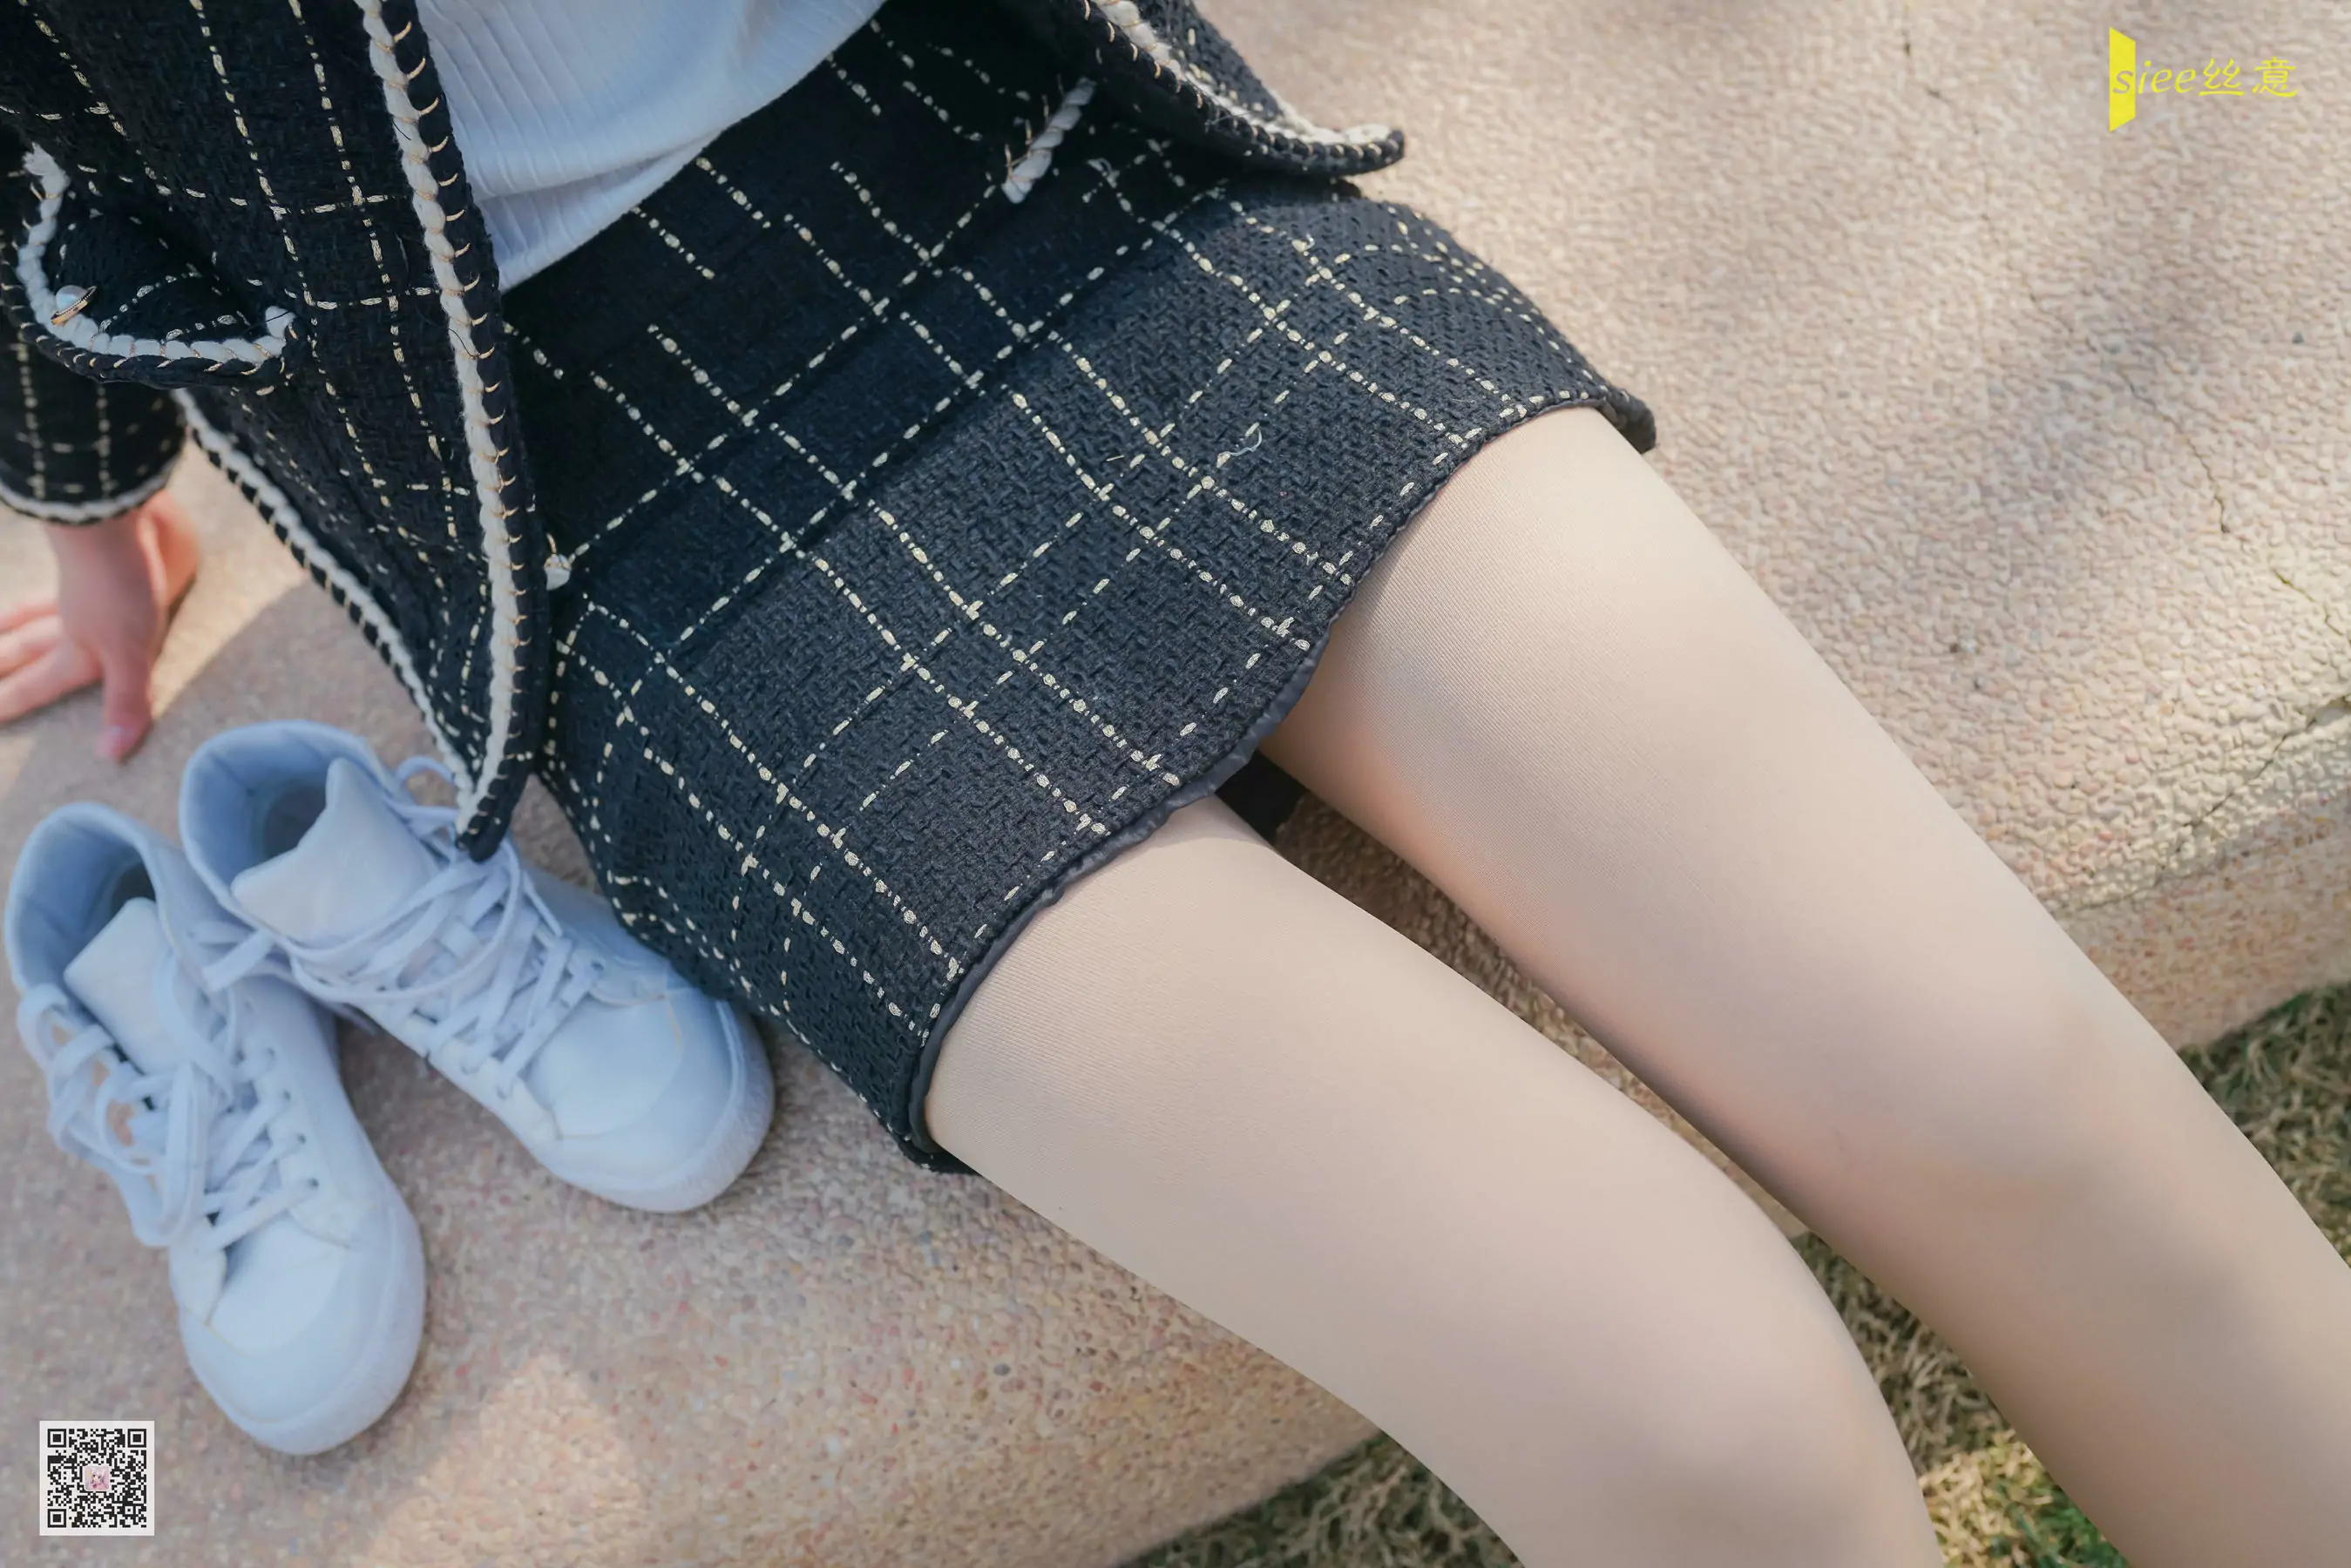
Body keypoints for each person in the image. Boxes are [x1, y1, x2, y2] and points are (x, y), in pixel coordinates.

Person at [3, 1, 2348, 1561]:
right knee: (1694, 1403)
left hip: (1062, 154)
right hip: (603, 488)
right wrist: (88, 493)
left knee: (2018, 1096)